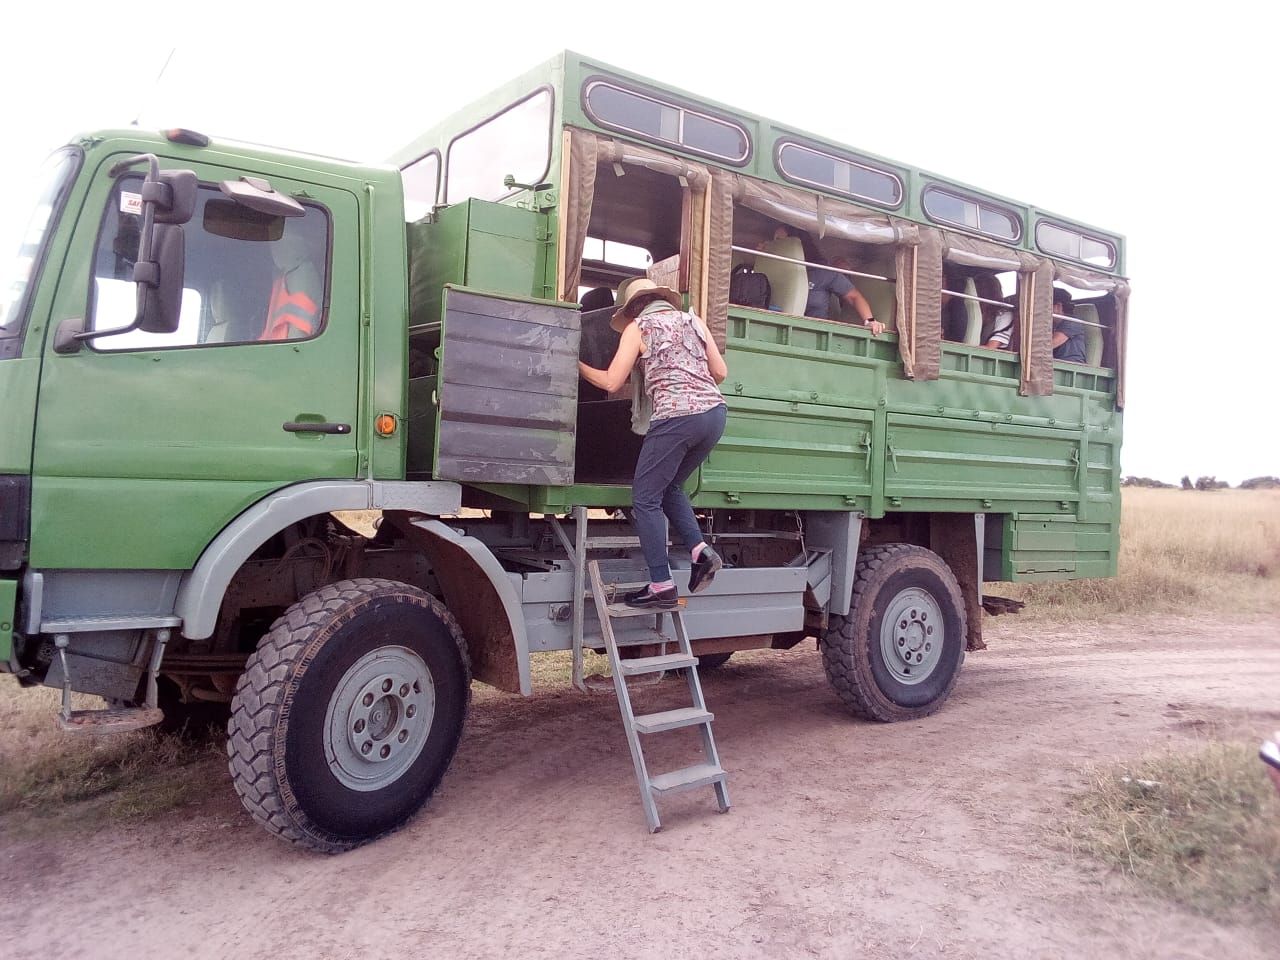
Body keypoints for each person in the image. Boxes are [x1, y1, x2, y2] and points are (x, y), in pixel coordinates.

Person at [577, 279, 728, 608]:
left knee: (644, 498)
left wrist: (574, 363)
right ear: (662, 299)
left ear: (632, 308)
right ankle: (700, 550)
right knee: (671, 486)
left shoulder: (638, 327)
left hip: (676, 418)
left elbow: (611, 381)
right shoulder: (693, 320)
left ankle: (661, 584)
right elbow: (720, 372)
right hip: (714, 415)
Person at [775, 227, 884, 334]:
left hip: (814, 332)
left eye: (781, 242)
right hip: (779, 328)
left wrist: (870, 321)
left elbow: (854, 296)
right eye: (775, 242)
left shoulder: (822, 271)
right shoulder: (774, 265)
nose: (777, 246)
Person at [260, 225, 322, 341]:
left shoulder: (303, 277)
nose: (273, 249)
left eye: (276, 242)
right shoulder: (282, 281)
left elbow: (298, 336)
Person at [1050, 287, 1086, 363]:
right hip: (1056, 364)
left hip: (1071, 366)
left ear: (1058, 307)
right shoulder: (1053, 325)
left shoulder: (1072, 322)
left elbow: (1051, 344)